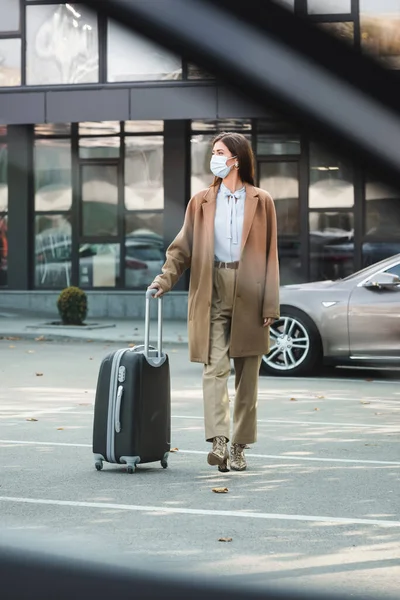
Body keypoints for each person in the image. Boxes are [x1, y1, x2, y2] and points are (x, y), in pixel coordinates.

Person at [148, 132, 280, 472]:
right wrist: (164, 280)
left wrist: (270, 305)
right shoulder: (202, 201)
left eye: (220, 152)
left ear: (236, 159)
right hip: (212, 288)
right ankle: (219, 440)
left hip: (251, 291)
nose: (215, 158)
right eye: (213, 153)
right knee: (214, 368)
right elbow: (182, 249)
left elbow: (270, 256)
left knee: (247, 377)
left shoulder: (262, 200)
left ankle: (239, 446)